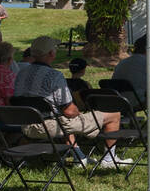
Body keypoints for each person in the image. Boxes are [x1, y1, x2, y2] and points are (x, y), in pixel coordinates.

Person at [13, 36, 128, 168]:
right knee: (113, 114)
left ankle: (79, 156)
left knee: (61, 117)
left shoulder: (21, 73)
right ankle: (109, 159)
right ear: (51, 53)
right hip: (51, 126)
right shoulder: (54, 76)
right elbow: (69, 111)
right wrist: (78, 110)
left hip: (27, 126)